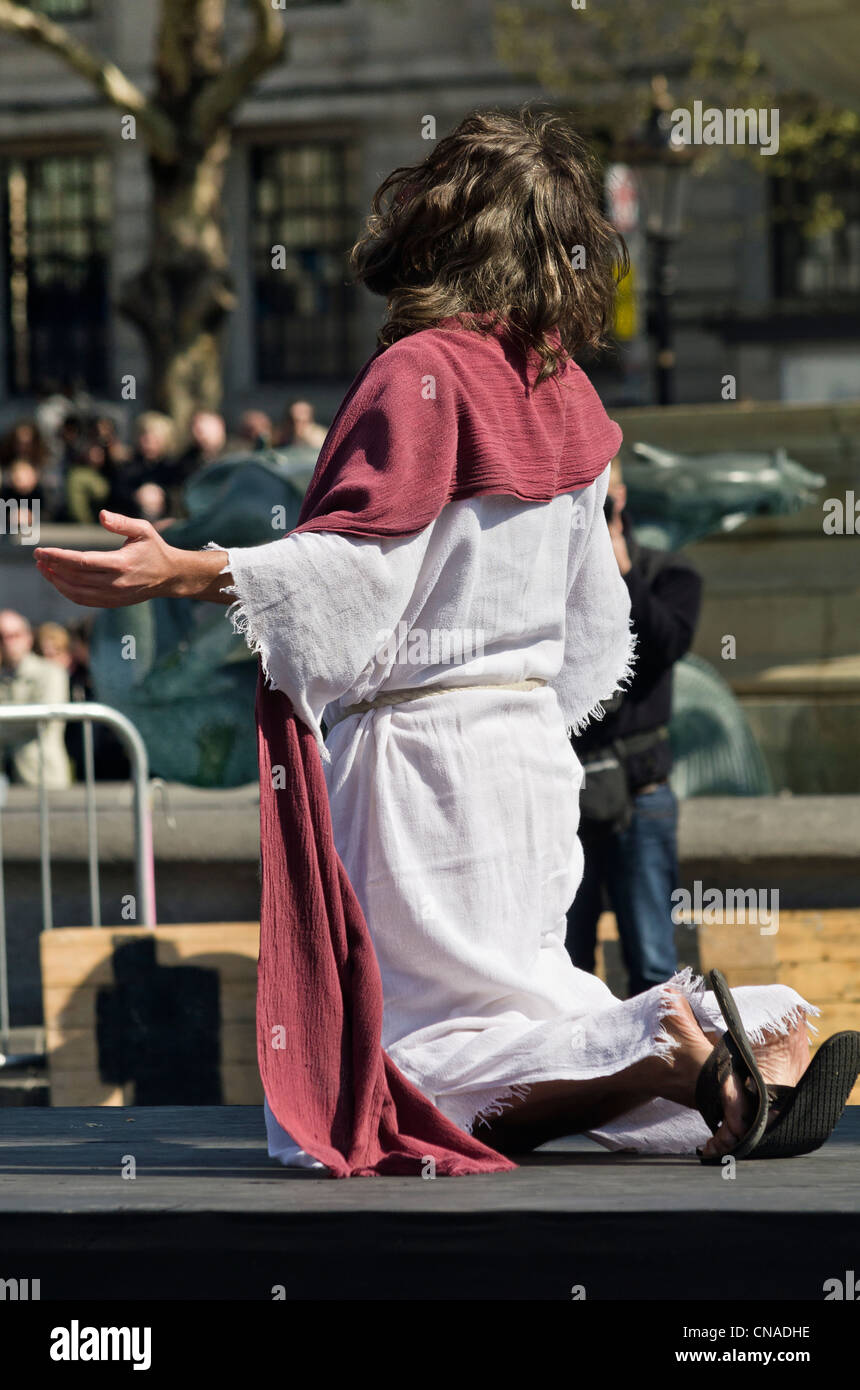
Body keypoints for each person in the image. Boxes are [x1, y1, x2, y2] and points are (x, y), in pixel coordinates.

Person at [34, 107, 858, 1175]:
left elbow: (355, 572)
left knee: (396, 1064)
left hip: (417, 766)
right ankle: (733, 1031)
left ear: (448, 227)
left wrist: (190, 568)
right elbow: (592, 612)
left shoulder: (417, 369)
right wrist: (515, 711)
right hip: (526, 760)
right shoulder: (561, 388)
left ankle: (656, 1052)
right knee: (527, 993)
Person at [566, 456, 702, 996]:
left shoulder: (669, 573)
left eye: (605, 495)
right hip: (567, 794)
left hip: (639, 793)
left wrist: (622, 574)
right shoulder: (554, 583)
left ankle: (665, 1081)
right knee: (564, 966)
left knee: (651, 966)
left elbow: (668, 645)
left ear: (621, 496)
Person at [0, 609, 71, 789]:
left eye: (14, 635)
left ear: (28, 638)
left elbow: (43, 718)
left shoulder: (51, 673)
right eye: (1, 637)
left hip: (42, 777)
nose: (7, 642)